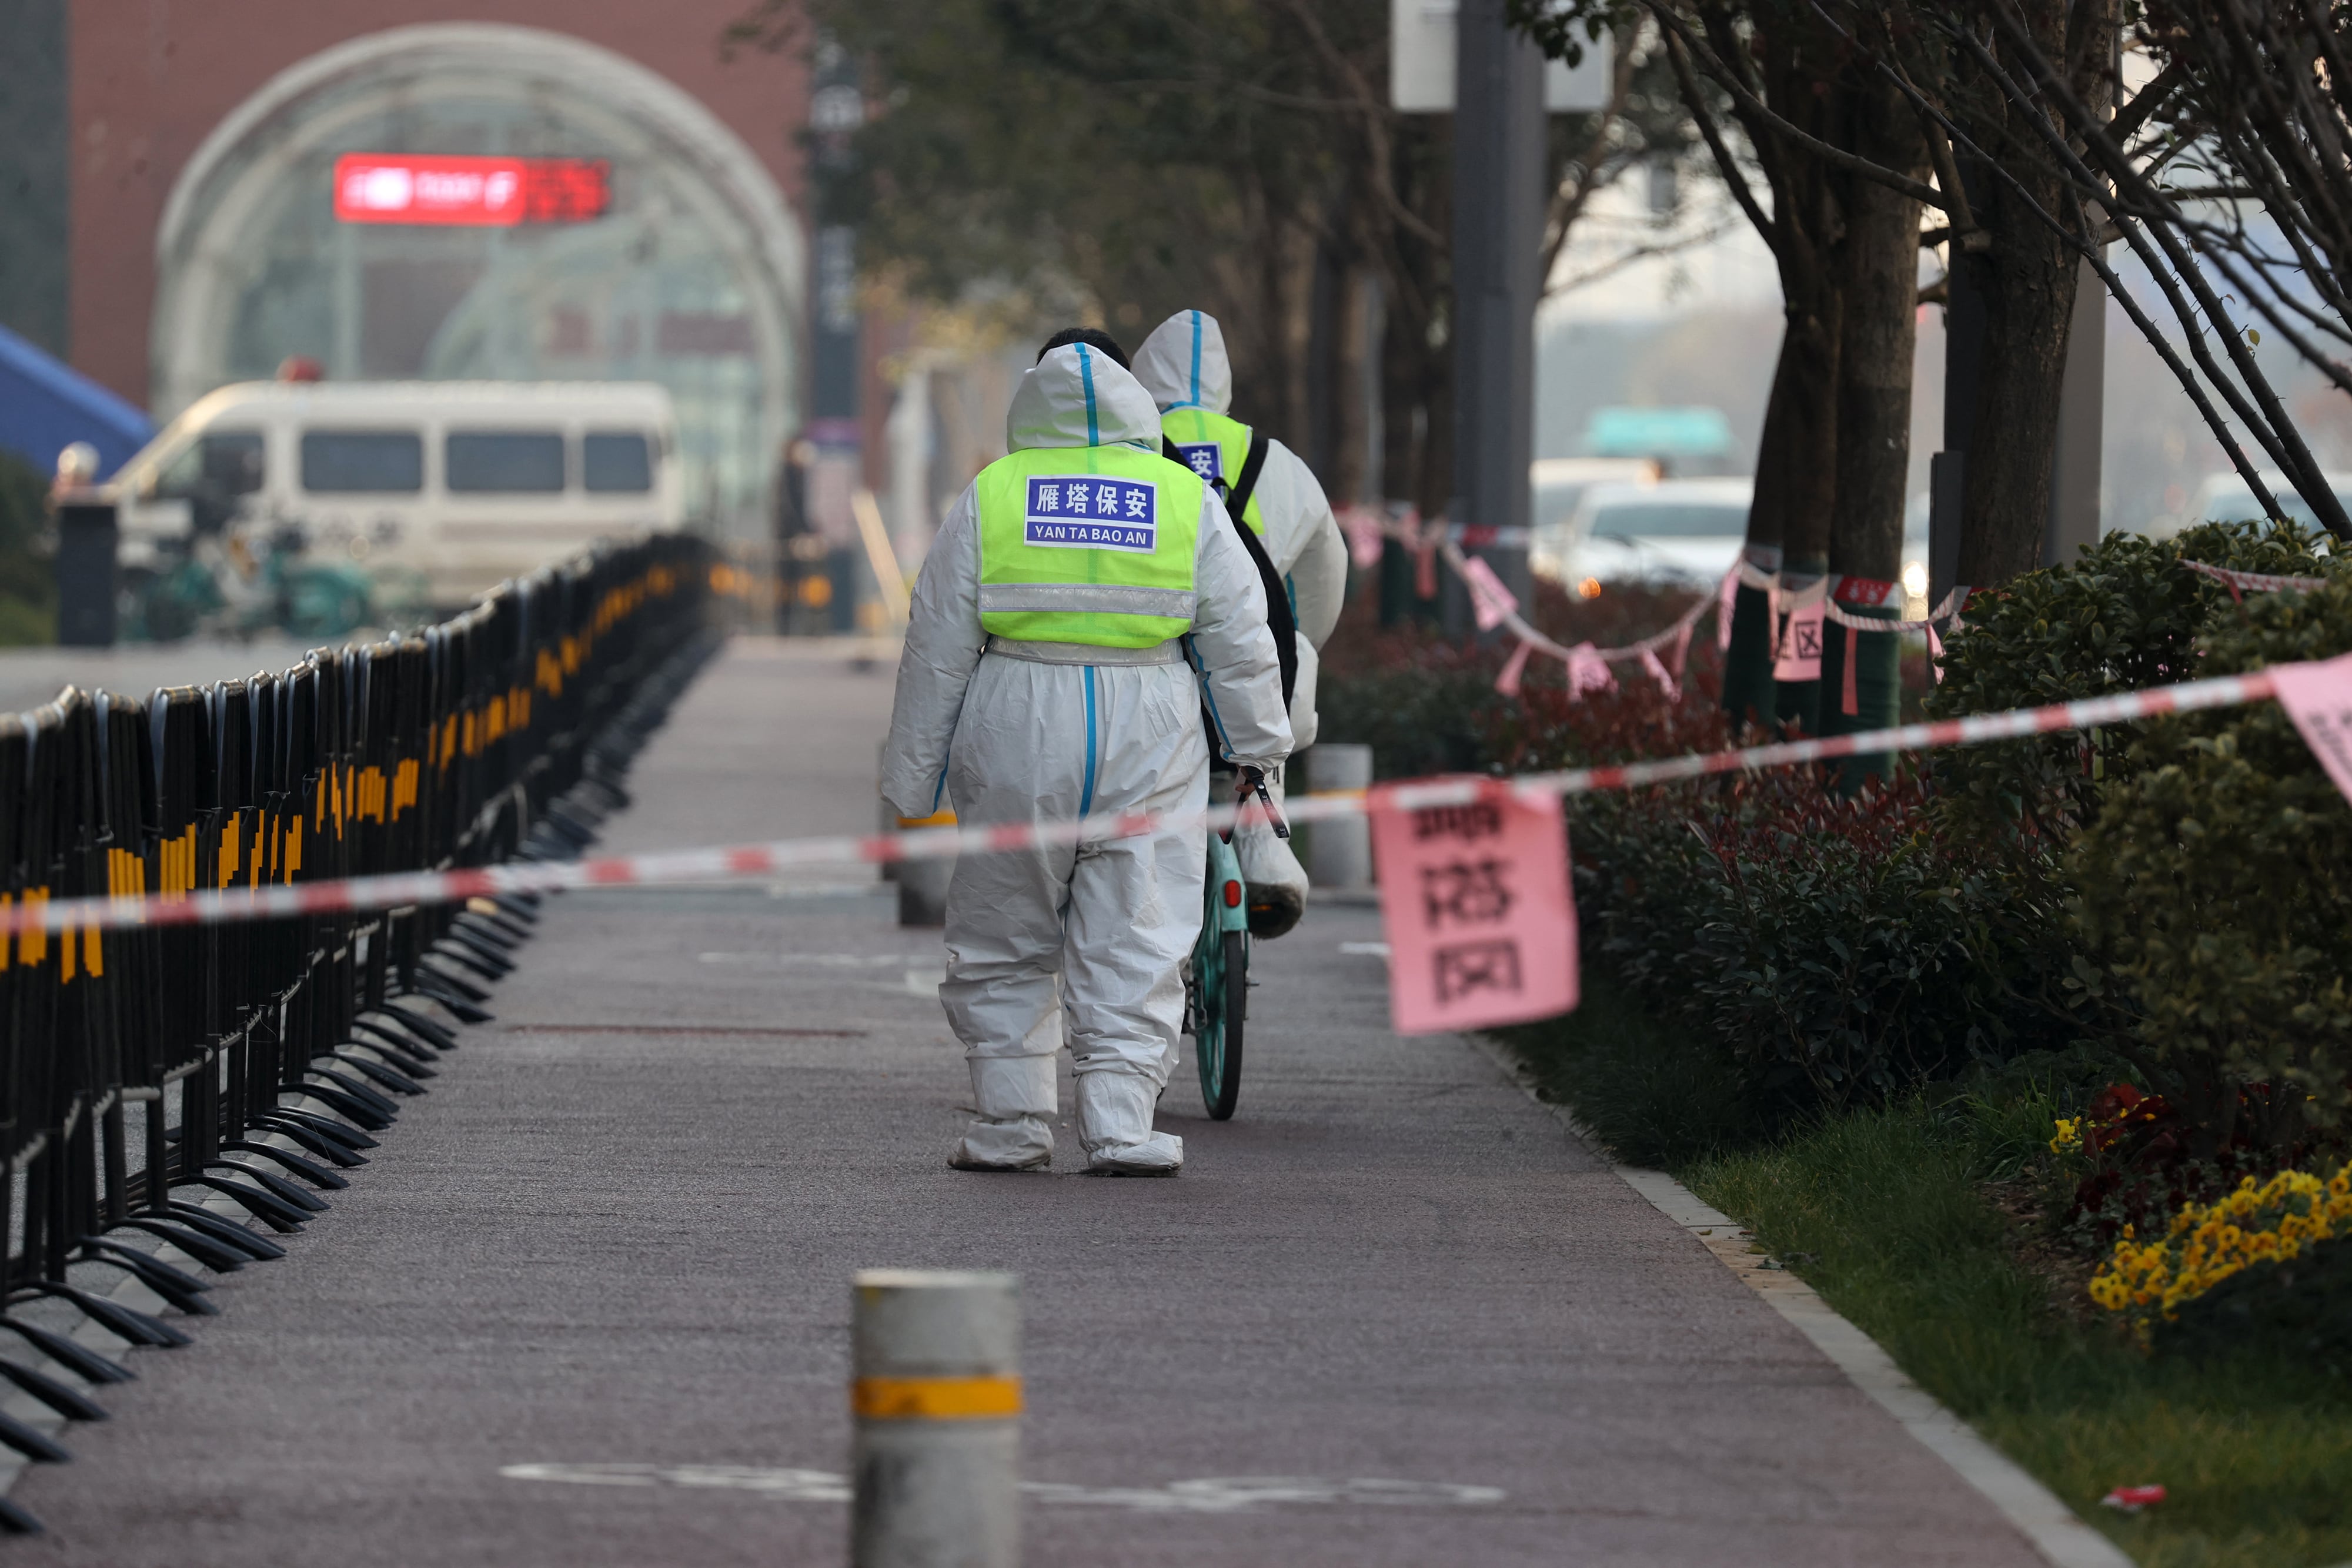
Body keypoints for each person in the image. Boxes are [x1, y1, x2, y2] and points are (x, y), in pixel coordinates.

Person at [880, 331, 1291, 1176]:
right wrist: (1259, 751)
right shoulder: (1182, 498)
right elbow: (1242, 636)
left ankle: (1010, 1122)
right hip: (1151, 725)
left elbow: (938, 641)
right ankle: (1120, 1125)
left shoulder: (994, 495)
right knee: (1138, 930)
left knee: (1005, 926)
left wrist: (912, 777)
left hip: (1019, 718)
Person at [1131, 311, 1348, 937]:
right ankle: (1265, 851)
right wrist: (1303, 643)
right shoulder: (1279, 462)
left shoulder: (1129, 457)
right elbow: (1323, 580)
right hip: (1261, 681)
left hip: (1153, 677)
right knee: (1265, 690)